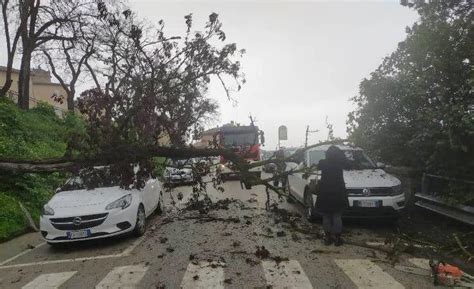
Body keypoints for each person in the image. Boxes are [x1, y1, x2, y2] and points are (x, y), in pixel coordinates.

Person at [315, 145, 349, 246]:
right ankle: (337, 239)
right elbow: (348, 164)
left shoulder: (323, 163)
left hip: (325, 192)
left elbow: (317, 166)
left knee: (326, 216)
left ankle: (327, 238)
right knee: (337, 215)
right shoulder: (340, 163)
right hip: (338, 192)